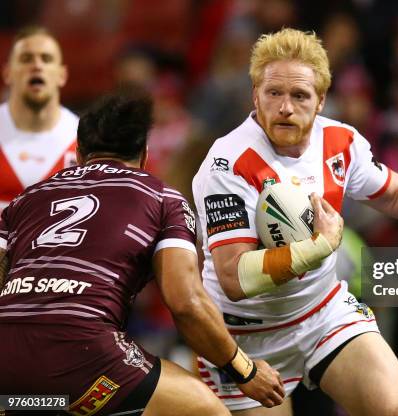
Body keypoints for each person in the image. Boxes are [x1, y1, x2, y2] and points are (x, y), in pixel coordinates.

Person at [192, 28, 398, 415]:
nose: (285, 107)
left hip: (323, 313)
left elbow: (395, 193)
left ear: (320, 101)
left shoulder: (340, 140)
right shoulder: (226, 162)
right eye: (273, 93)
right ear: (255, 96)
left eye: (299, 95)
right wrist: (317, 247)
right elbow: (234, 278)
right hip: (245, 338)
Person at [0, 90, 285, 416]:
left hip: (7, 376)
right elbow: (186, 303)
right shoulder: (163, 198)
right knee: (206, 410)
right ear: (145, 155)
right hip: (85, 363)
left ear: (78, 153)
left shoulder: (24, 200)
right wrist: (245, 371)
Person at [0, 25, 78, 213]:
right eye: (26, 59)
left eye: (47, 59)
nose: (37, 66)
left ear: (62, 75)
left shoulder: (84, 139)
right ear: (8, 73)